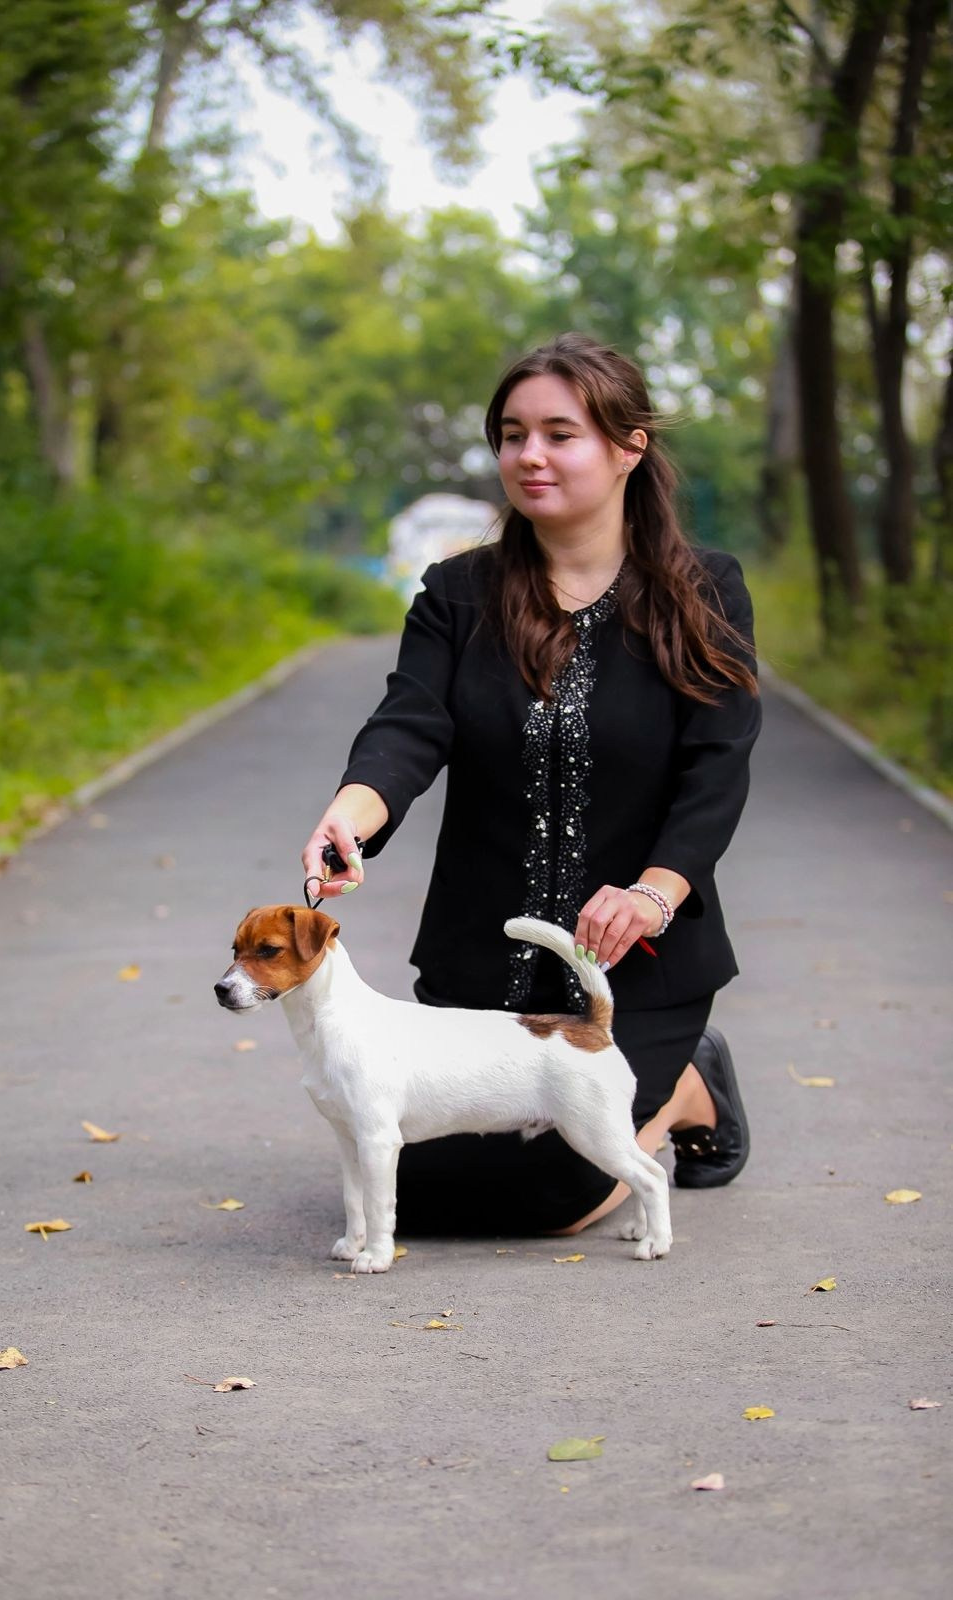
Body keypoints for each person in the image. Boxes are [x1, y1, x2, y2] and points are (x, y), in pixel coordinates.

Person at [300, 333, 762, 1237]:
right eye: (512, 435)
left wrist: (655, 893)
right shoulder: (457, 593)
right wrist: (351, 818)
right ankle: (658, 1094)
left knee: (547, 1196)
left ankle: (683, 1087)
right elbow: (409, 724)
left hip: (640, 967)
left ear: (629, 446)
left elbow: (719, 764)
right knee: (425, 1189)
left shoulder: (704, 590)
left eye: (560, 433)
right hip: (480, 971)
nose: (530, 456)